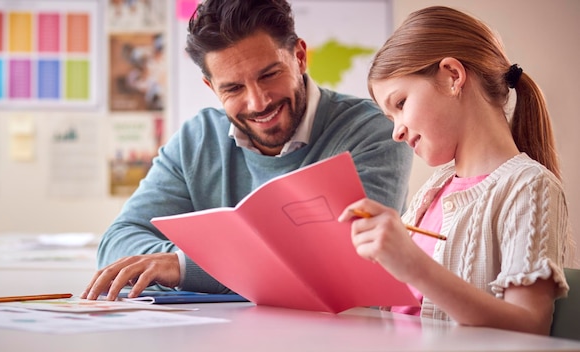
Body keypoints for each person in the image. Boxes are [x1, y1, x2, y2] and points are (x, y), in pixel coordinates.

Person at [82, 0, 413, 301]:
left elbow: (344, 263)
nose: (259, 102)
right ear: (212, 87)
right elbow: (118, 243)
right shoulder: (198, 138)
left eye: (269, 75)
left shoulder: (373, 132)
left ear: (299, 57)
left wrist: (186, 266)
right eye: (234, 88)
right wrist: (194, 263)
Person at [338, 6, 576, 335]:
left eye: (401, 104)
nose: (396, 132)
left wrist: (414, 266)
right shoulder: (431, 194)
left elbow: (529, 325)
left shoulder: (529, 187)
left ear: (452, 75)